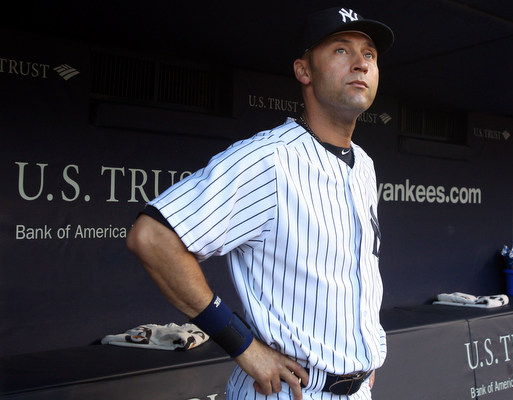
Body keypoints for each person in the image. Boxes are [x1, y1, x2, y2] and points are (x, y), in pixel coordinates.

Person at [126, 7, 394, 400]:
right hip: (291, 391)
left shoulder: (364, 164)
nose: (360, 63)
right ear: (304, 71)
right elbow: (151, 237)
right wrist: (242, 345)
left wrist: (362, 359)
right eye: (340, 50)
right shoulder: (269, 159)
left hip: (356, 389)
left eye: (369, 54)